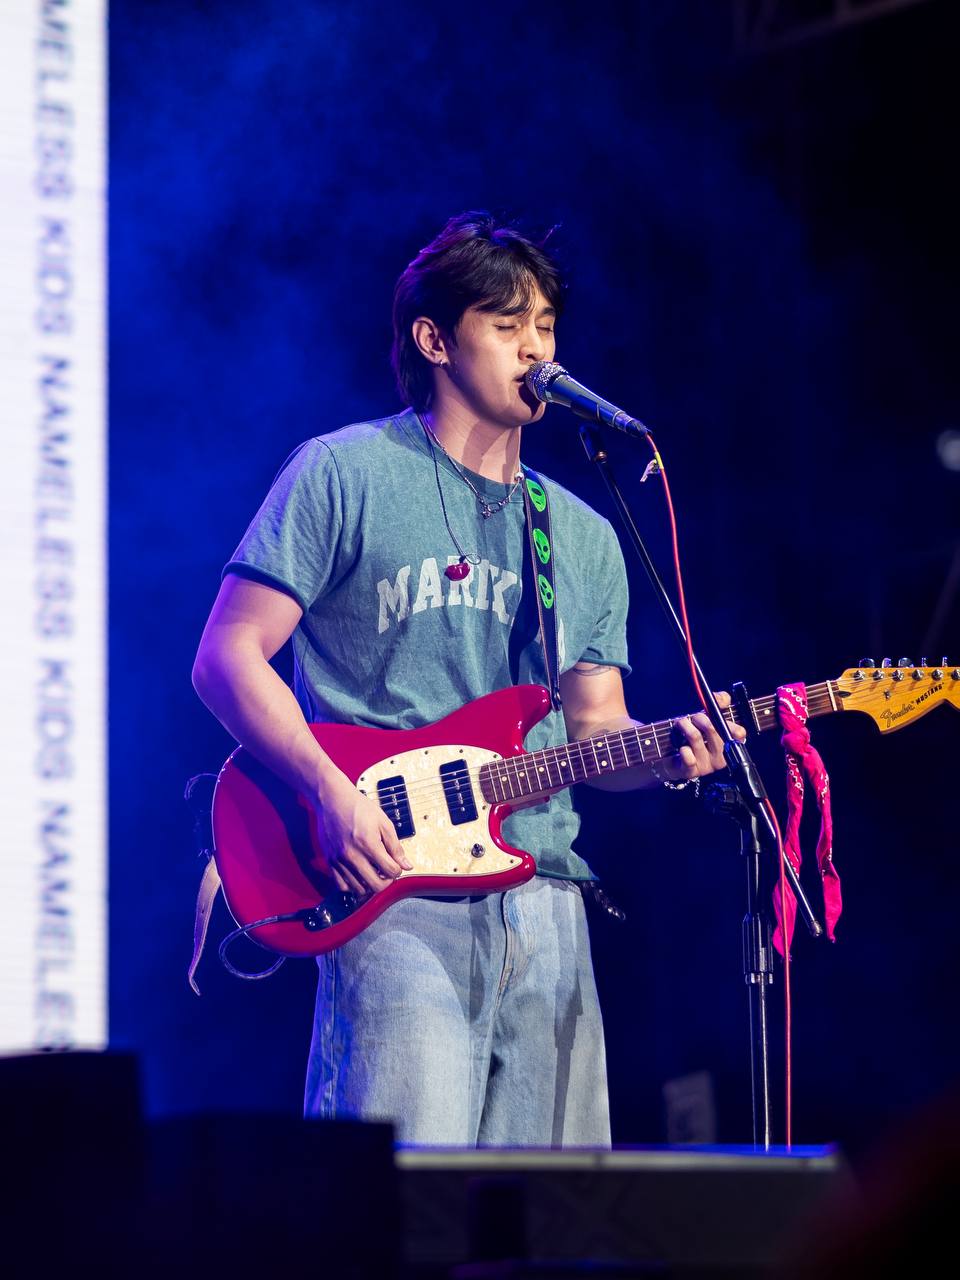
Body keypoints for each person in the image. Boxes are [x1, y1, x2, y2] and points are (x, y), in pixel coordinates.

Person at [192, 211, 743, 1146]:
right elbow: (226, 657)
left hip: (550, 901)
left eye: (548, 327)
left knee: (560, 1225)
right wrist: (328, 791)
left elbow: (594, 728)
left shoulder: (582, 532)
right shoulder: (345, 473)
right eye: (508, 324)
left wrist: (666, 757)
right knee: (397, 1216)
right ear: (434, 339)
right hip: (396, 892)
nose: (537, 349)